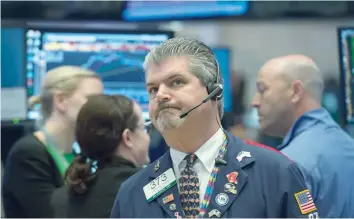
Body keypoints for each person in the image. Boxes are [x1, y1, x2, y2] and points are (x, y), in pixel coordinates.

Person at [110, 38, 319, 218]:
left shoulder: (276, 173)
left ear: (214, 92)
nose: (161, 95)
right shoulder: (133, 192)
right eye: (152, 89)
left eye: (176, 82)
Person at [252, 54, 354, 217]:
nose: (255, 102)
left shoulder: (291, 165)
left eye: (262, 90)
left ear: (295, 91)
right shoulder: (348, 145)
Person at [2, 66, 103, 218]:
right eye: (91, 100)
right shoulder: (28, 154)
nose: (100, 109)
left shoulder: (77, 154)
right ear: (61, 100)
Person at [51, 94, 150, 218]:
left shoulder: (62, 199)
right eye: (144, 128)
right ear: (128, 137)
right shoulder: (148, 191)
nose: (147, 137)